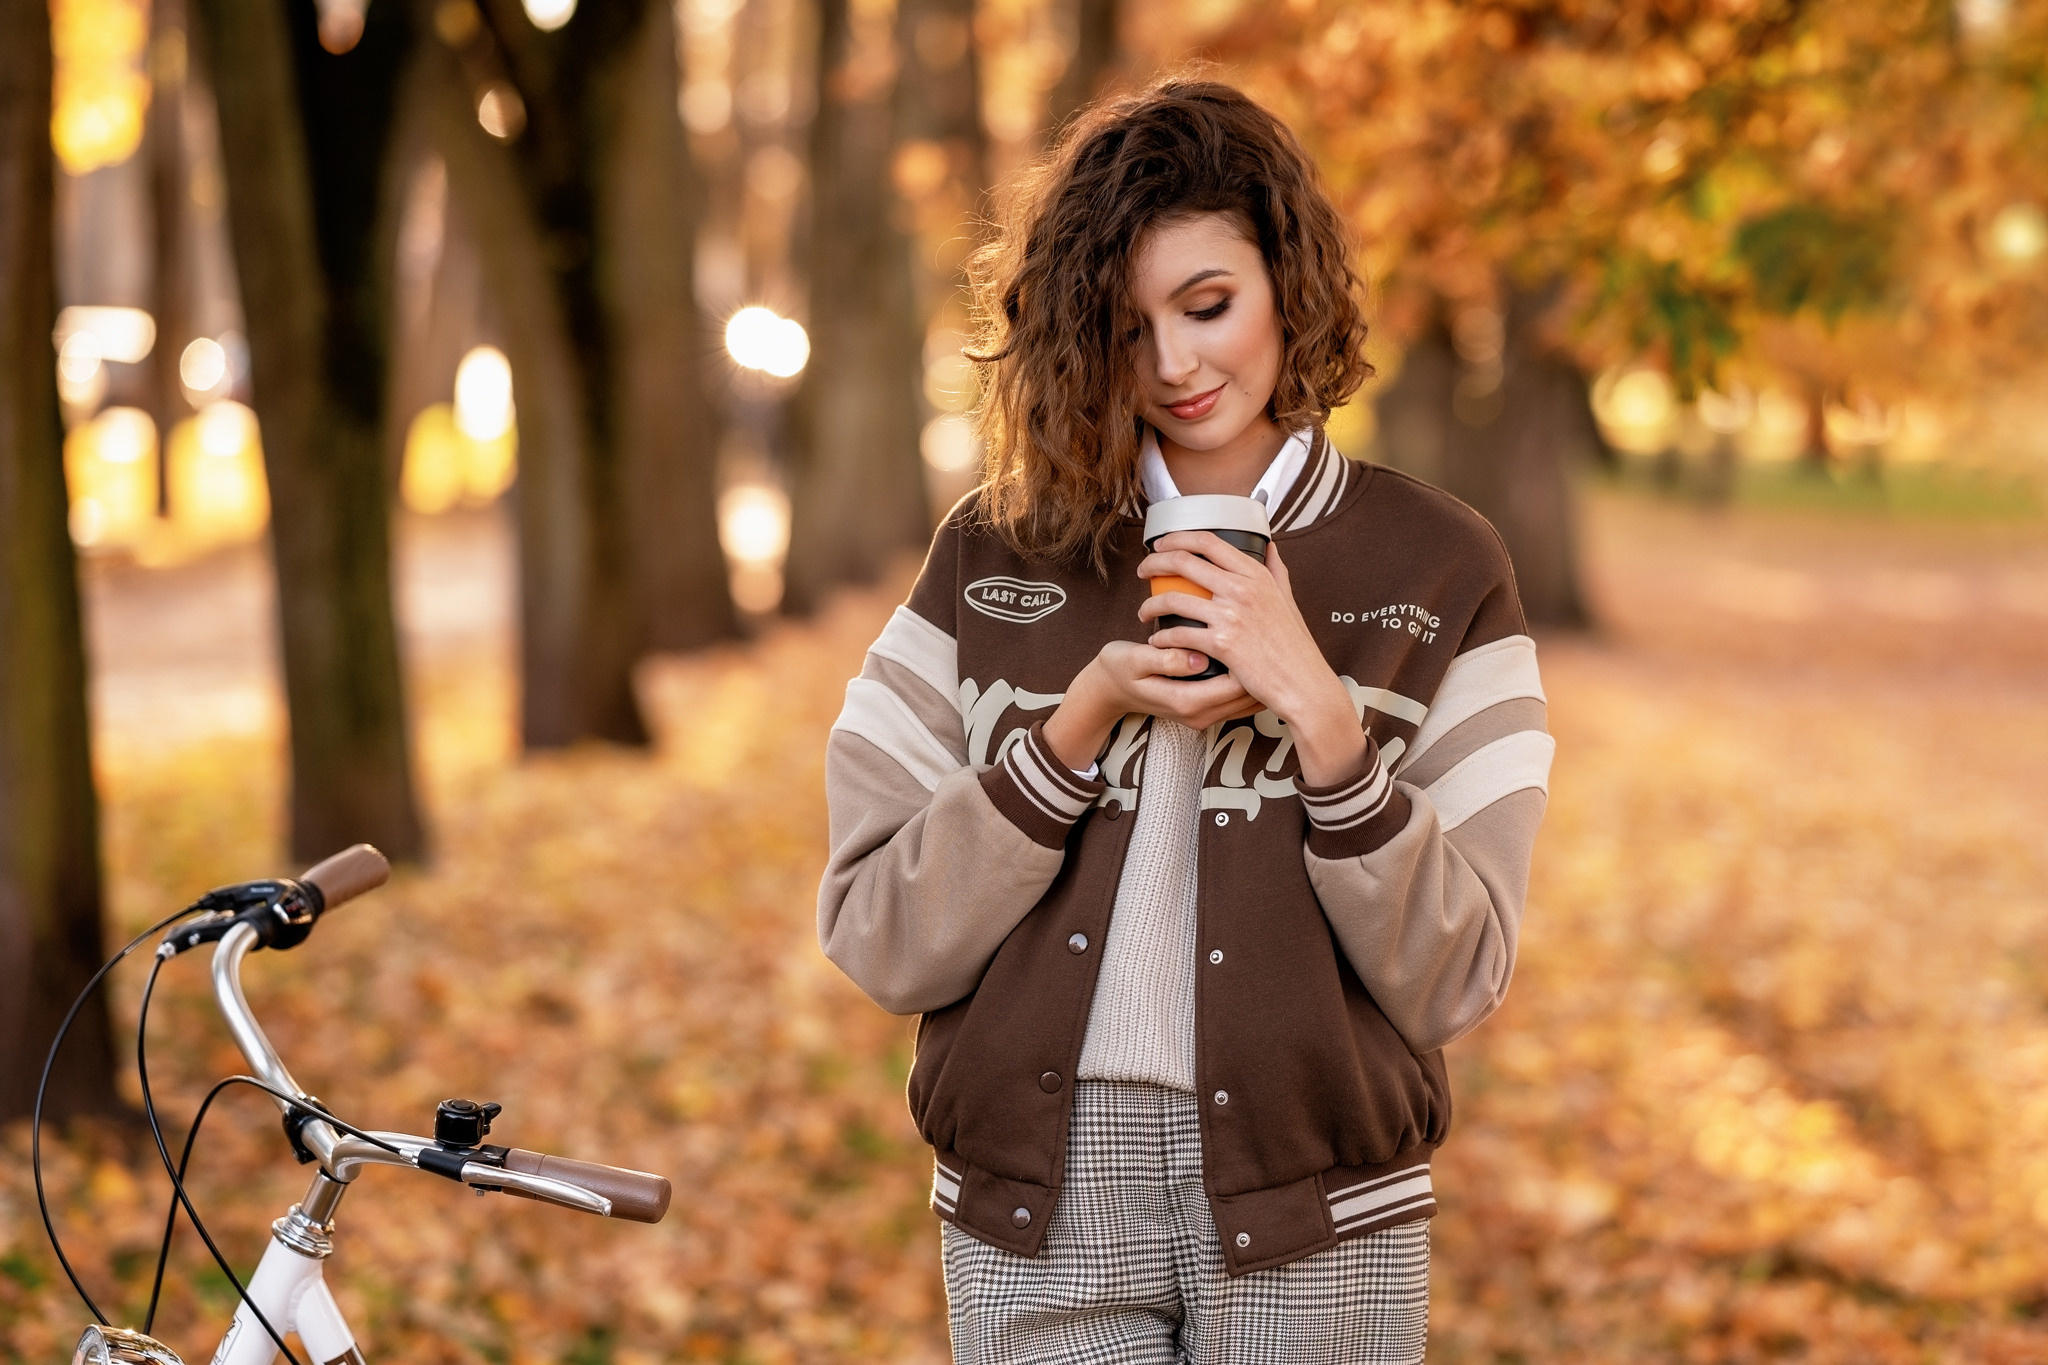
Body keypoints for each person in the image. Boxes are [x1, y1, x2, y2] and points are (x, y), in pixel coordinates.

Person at [817, 79, 1552, 1364]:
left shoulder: (1439, 566)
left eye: (1207, 306)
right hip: (1034, 1210)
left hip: (1317, 1210)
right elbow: (876, 938)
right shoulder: (994, 552)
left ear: (1285, 279)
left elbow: (1454, 976)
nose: (1172, 365)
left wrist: (1321, 716)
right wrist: (1073, 728)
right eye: (1124, 325)